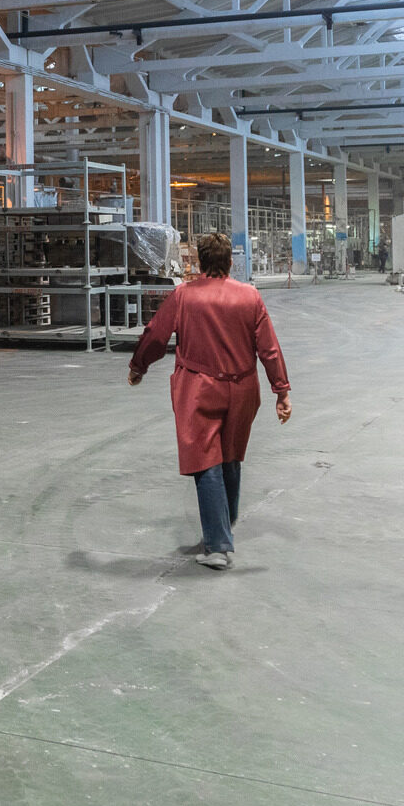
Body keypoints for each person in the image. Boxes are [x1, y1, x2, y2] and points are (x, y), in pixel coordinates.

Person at [127, 232, 292, 570]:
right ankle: (222, 528)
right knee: (230, 457)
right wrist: (281, 391)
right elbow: (269, 348)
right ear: (230, 261)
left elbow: (156, 335)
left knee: (205, 460)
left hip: (199, 388)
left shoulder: (184, 295)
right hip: (243, 389)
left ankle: (217, 546)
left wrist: (138, 366)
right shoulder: (250, 296)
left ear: (198, 262)